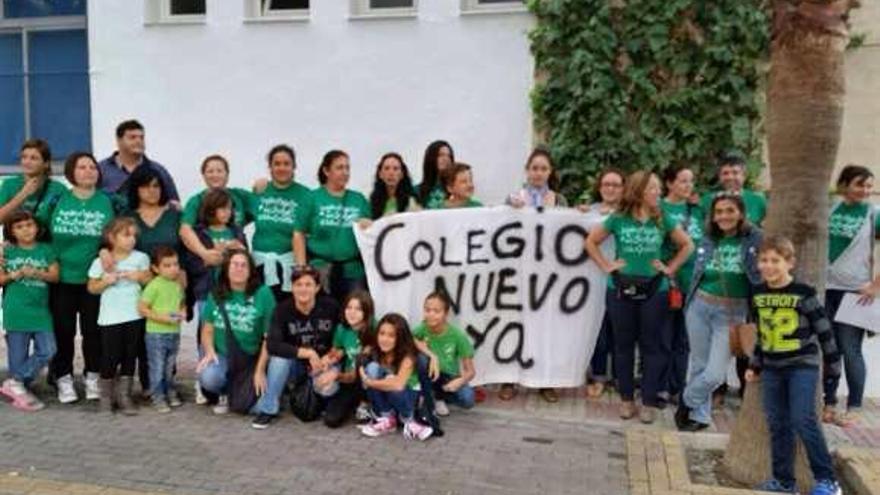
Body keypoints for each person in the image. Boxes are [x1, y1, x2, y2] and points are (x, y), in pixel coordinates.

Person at [584, 171, 693, 423]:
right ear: (639, 191)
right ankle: (626, 400)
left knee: (653, 347)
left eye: (658, 188)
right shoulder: (619, 218)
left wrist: (670, 268)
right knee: (623, 347)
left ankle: (648, 401)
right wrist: (606, 265)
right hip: (620, 288)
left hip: (656, 290)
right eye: (653, 188)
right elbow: (591, 242)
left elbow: (687, 245)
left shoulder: (662, 218)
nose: (658, 193)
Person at [746, 235, 842, 495]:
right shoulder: (757, 293)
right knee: (777, 423)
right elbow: (762, 334)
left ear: (790, 263)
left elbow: (825, 332)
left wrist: (833, 370)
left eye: (775, 260)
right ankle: (784, 481)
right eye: (764, 260)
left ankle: (827, 480)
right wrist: (755, 365)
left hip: (802, 366)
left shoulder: (803, 293)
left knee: (803, 419)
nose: (768, 266)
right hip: (772, 368)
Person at [675, 193, 761, 432]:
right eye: (719, 212)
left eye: (730, 211)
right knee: (699, 365)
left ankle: (686, 401)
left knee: (714, 373)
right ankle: (700, 417)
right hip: (700, 306)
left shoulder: (754, 239)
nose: (724, 216)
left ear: (741, 214)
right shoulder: (709, 238)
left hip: (732, 312)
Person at [38, 152, 115, 404]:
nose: (89, 171)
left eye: (92, 167)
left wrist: (105, 247)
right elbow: (38, 231)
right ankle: (63, 379)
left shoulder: (107, 201)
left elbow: (115, 234)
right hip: (62, 279)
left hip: (93, 280)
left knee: (94, 333)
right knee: (64, 332)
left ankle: (93, 376)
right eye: (82, 167)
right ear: (71, 172)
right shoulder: (57, 199)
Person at [502, 149, 568, 402]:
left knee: (545, 328)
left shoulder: (559, 201)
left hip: (547, 276)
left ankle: (545, 381)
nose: (538, 173)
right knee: (514, 326)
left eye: (543, 169)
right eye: (534, 168)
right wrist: (509, 208)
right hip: (518, 274)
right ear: (527, 170)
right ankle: (510, 379)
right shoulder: (514, 198)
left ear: (550, 172)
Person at [822, 165, 880, 427]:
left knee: (850, 349)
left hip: (856, 292)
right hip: (825, 288)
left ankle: (854, 406)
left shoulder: (873, 214)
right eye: (859, 184)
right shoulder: (830, 207)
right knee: (828, 349)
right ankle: (829, 403)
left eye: (869, 186)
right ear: (844, 184)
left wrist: (875, 286)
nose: (865, 190)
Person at [251, 266, 339, 429]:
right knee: (278, 360)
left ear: (317, 287)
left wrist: (330, 358)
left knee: (328, 388)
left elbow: (341, 339)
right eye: (298, 284)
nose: (303, 289)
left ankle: (316, 400)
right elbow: (272, 344)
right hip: (296, 366)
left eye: (308, 284)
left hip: (323, 364)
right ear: (292, 287)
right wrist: (307, 353)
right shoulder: (282, 309)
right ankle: (268, 409)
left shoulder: (331, 307)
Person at [125, 164, 183, 395]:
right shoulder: (128, 217)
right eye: (146, 186)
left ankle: (166, 383)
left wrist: (183, 276)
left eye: (156, 186)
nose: (152, 191)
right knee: (141, 337)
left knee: (167, 332)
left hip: (169, 283)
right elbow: (115, 245)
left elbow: (184, 249)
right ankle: (149, 384)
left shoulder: (174, 216)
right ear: (136, 189)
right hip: (135, 285)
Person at [197, 250, 275, 415]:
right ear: (226, 269)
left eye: (244, 265)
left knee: (254, 407)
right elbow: (207, 329)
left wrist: (260, 370)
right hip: (224, 354)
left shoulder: (263, 294)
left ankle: (260, 388)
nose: (239, 269)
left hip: (251, 357)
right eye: (234, 264)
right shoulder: (216, 293)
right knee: (209, 378)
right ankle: (225, 393)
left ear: (250, 271)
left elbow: (270, 337)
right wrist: (209, 352)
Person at [87, 217, 152, 415]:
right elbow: (92, 288)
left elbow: (149, 279)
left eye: (134, 235)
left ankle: (125, 396)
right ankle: (105, 397)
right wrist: (105, 281)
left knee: (130, 355)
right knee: (109, 355)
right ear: (111, 237)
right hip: (111, 317)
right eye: (126, 235)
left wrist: (139, 277)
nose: (131, 239)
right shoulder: (101, 261)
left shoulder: (141, 258)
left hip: (134, 315)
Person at [293, 150, 371, 301]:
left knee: (355, 314)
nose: (345, 172)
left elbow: (371, 234)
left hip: (353, 271)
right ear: (326, 171)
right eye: (339, 168)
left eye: (347, 168)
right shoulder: (312, 197)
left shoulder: (358, 199)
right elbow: (298, 233)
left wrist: (370, 225)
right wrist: (302, 269)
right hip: (320, 268)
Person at [0, 211, 59, 411]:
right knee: (18, 358)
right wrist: (14, 274)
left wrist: (36, 272)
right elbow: (1, 279)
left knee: (48, 349)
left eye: (29, 225)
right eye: (19, 227)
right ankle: (21, 392)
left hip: (40, 311)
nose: (25, 229)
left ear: (37, 227)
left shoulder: (46, 250)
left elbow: (55, 276)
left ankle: (13, 382)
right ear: (11, 232)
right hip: (15, 310)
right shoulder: (6, 252)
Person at [660, 165, 703, 403]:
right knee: (663, 335)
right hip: (668, 281)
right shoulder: (659, 208)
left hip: (694, 281)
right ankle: (661, 384)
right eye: (683, 181)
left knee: (685, 338)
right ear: (669, 183)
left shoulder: (696, 211)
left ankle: (677, 387)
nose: (688, 186)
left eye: (691, 181)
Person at [582, 168, 625, 399]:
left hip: (622, 279)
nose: (610, 189)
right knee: (597, 330)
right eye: (606, 184)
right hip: (593, 279)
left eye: (616, 185)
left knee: (620, 331)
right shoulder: (589, 212)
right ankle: (598, 376)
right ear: (600, 188)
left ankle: (619, 377)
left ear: (623, 189)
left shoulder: (629, 213)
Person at [250, 145, 312, 302]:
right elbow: (235, 217)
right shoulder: (260, 191)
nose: (281, 168)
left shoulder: (306, 195)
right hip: (260, 266)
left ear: (294, 166)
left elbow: (312, 230)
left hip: (290, 267)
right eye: (277, 164)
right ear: (270, 167)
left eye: (286, 163)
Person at [359, 313, 433, 441]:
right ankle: (387, 419)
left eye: (391, 335)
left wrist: (370, 383)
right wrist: (363, 372)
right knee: (372, 368)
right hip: (389, 396)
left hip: (407, 397)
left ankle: (409, 421)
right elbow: (360, 363)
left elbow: (398, 385)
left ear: (400, 338)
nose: (384, 339)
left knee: (392, 382)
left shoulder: (408, 356)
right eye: (381, 334)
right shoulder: (375, 350)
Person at [179, 154, 253, 278]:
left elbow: (263, 204)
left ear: (227, 174)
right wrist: (204, 253)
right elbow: (185, 230)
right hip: (206, 273)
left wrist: (260, 187)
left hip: (234, 274)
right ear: (203, 175)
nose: (215, 175)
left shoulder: (239, 196)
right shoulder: (196, 200)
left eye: (220, 171)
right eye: (210, 171)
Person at [138, 246, 186, 413]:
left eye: (175, 264)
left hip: (174, 333)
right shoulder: (154, 285)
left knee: (169, 367)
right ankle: (157, 396)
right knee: (157, 367)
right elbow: (142, 308)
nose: (173, 268)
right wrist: (162, 318)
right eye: (167, 265)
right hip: (156, 334)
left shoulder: (177, 285)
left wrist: (182, 311)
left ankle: (169, 391)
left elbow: (181, 303)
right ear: (156, 268)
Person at [412, 291, 475, 416]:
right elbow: (407, 338)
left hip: (449, 377)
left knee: (467, 400)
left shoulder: (458, 336)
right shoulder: (422, 328)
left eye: (436, 311)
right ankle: (432, 397)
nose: (431, 315)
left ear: (446, 313)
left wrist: (460, 381)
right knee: (422, 359)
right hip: (431, 373)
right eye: (427, 310)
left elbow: (471, 371)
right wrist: (431, 354)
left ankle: (439, 396)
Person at [322, 290, 375, 427]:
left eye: (358, 309)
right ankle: (353, 403)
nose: (352, 312)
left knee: (362, 361)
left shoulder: (374, 328)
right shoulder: (342, 328)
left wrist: (335, 375)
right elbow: (337, 351)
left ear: (367, 312)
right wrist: (326, 361)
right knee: (331, 419)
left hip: (367, 382)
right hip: (349, 382)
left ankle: (366, 403)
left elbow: (356, 373)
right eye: (349, 307)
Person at [97, 119, 179, 203]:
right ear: (119, 141)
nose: (139, 141)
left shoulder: (158, 170)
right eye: (132, 137)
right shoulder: (100, 170)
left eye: (142, 138)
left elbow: (174, 204)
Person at [0, 139, 66, 224]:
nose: (27, 162)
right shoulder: (9, 185)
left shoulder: (58, 189)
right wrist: (22, 195)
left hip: (45, 236)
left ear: (46, 163)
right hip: (15, 237)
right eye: (24, 157)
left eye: (33, 158)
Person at [699, 152, 766, 226]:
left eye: (735, 173)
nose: (730, 177)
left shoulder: (758, 200)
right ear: (719, 177)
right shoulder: (707, 200)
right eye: (725, 173)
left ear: (744, 176)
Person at [369, 152, 420, 219]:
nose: (391, 173)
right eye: (386, 168)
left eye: (395, 169)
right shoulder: (373, 201)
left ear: (402, 174)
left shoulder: (411, 200)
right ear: (380, 174)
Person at [418, 140, 455, 209]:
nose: (446, 159)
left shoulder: (456, 189)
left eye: (449, 156)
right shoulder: (417, 191)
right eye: (441, 155)